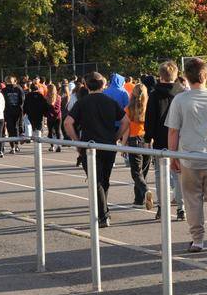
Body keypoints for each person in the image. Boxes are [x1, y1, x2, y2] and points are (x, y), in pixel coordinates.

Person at [165, 58, 207, 254]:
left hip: (190, 159)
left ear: (186, 77)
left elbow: (173, 131)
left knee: (192, 199)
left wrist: (173, 156)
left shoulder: (180, 100)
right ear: (206, 75)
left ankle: (198, 240)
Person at [65, 72, 128, 228]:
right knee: (104, 180)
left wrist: (77, 142)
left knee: (96, 181)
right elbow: (126, 121)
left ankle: (103, 214)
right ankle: (103, 211)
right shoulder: (111, 102)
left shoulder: (82, 103)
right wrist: (115, 137)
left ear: (86, 86)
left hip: (90, 146)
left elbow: (67, 123)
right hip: (108, 146)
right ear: (103, 85)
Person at [144, 61, 185, 221]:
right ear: (175, 75)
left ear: (160, 76)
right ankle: (181, 208)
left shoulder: (155, 94)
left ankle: (162, 206)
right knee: (178, 174)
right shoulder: (181, 93)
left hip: (160, 138)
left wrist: (148, 138)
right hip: (179, 139)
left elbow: (150, 118)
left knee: (160, 174)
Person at [126, 82, 152, 208]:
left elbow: (126, 128)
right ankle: (139, 199)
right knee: (143, 171)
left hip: (134, 140)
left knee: (136, 173)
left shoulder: (128, 109)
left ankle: (145, 191)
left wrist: (123, 143)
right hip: (146, 140)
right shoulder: (149, 108)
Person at [2, 77, 25, 154]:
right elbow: (22, 100)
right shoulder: (19, 88)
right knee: (16, 128)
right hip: (17, 111)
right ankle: (16, 145)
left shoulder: (4, 90)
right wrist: (21, 108)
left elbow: (2, 101)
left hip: (8, 111)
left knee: (10, 129)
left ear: (6, 81)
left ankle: (12, 147)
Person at [45, 86, 63, 152]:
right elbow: (59, 107)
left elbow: (46, 108)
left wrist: (50, 106)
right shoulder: (59, 97)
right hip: (57, 116)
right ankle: (58, 146)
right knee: (57, 131)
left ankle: (52, 146)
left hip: (51, 116)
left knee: (51, 131)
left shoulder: (47, 98)